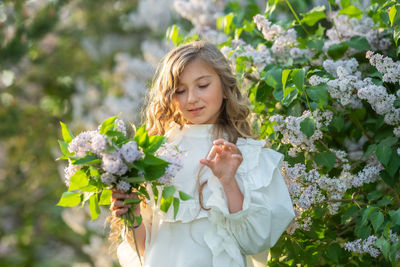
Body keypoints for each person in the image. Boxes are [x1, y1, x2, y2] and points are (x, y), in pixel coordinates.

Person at [109, 40, 295, 267]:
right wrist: (133, 214)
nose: (191, 99)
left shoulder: (245, 154)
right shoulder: (157, 155)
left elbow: (253, 241)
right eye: (180, 90)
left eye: (203, 85)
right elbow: (147, 251)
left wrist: (228, 182)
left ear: (225, 87)